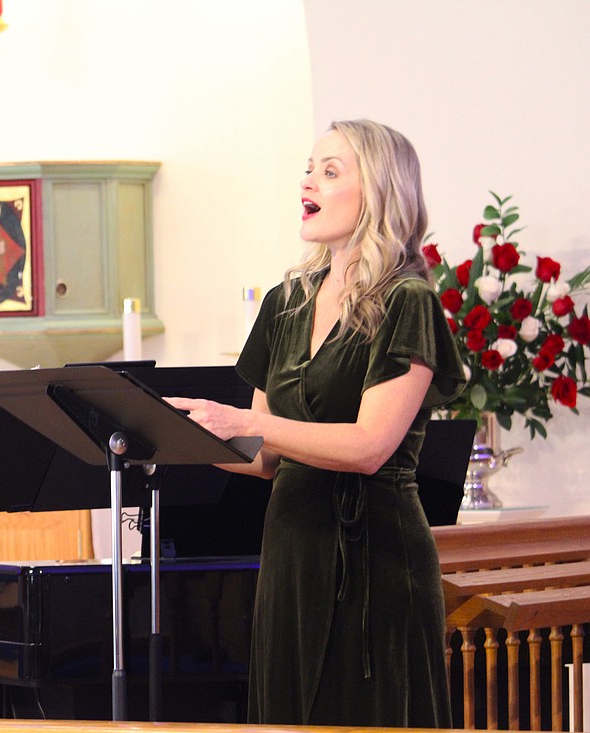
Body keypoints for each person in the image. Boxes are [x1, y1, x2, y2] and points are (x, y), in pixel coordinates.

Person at [166, 120, 465, 727]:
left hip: (373, 556)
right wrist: (176, 436)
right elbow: (262, 458)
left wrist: (238, 420)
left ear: (379, 193)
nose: (308, 181)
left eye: (331, 171)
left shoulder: (406, 300)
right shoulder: (287, 301)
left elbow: (369, 447)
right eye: (309, 168)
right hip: (291, 550)